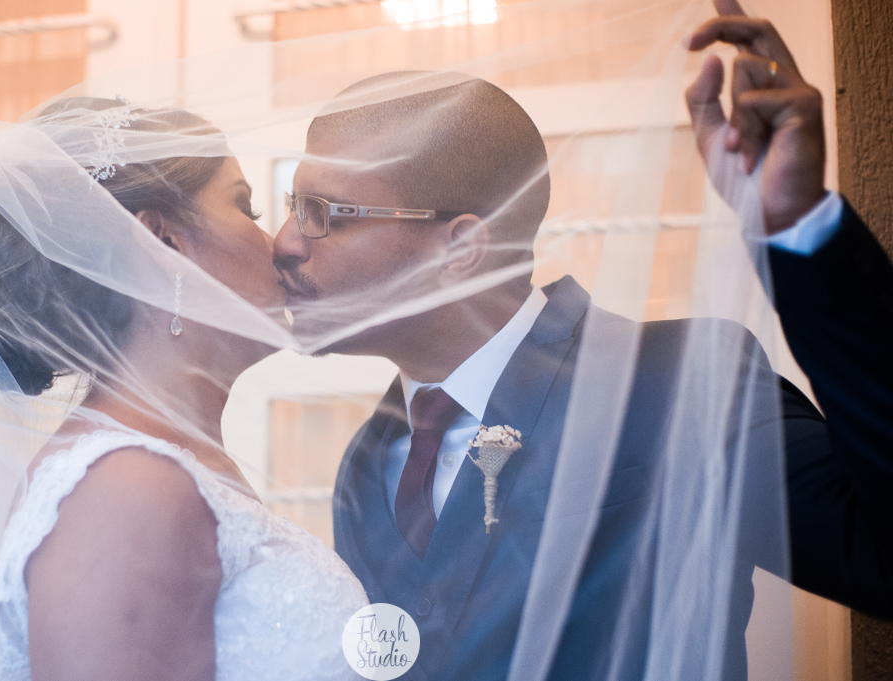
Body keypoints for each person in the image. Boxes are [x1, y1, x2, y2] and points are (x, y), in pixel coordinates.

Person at [271, 3, 893, 681]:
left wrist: (800, 226)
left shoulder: (680, 384)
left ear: (460, 246)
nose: (284, 243)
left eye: (322, 213)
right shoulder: (367, 465)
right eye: (288, 206)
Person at [0, 97, 367, 681]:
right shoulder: (128, 491)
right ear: (164, 243)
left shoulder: (156, 466)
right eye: (245, 207)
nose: (278, 241)